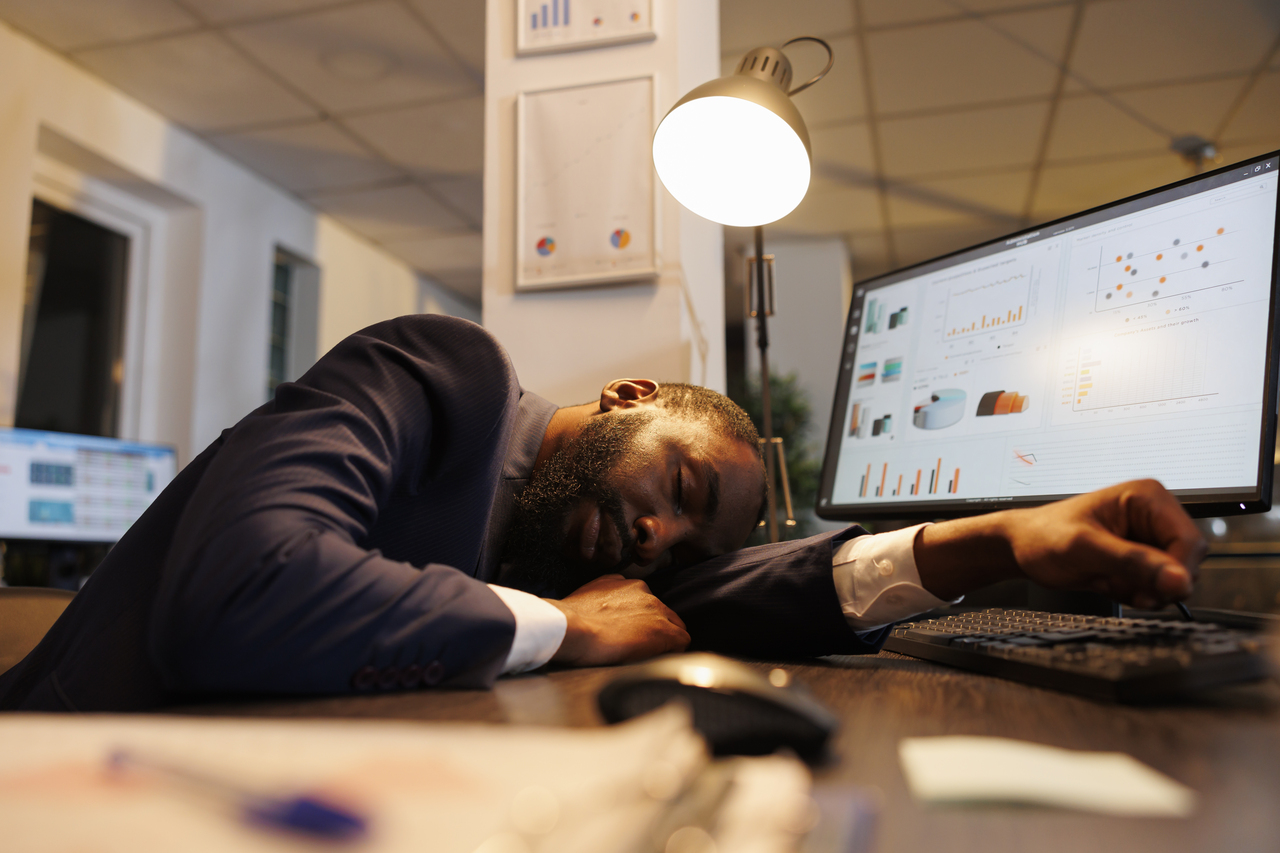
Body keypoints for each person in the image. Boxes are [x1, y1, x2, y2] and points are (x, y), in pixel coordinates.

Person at [0, 315, 1205, 711]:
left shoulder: (567, 547)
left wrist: (989, 541)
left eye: (688, 539)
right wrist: (564, 630)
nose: (657, 541)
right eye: (677, 489)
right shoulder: (442, 378)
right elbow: (243, 596)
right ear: (630, 400)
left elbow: (730, 590)